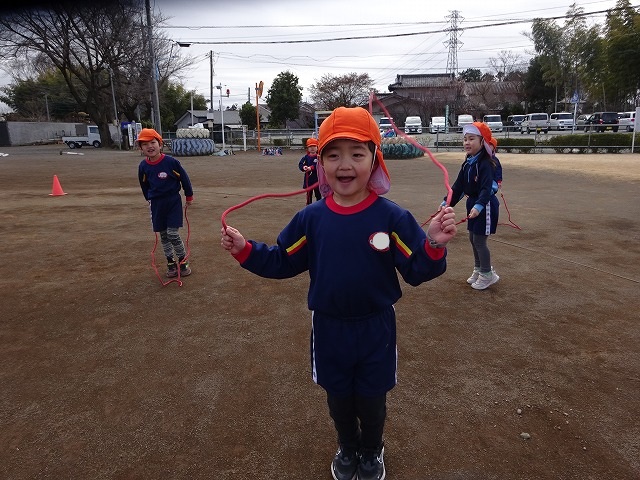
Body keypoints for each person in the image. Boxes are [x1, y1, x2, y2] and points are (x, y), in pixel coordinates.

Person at [221, 106, 457, 480]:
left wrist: (434, 245)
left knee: (372, 400)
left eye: (357, 154)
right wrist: (245, 250)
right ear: (320, 163)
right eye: (333, 155)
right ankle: (348, 446)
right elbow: (283, 260)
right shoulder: (311, 219)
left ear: (375, 160)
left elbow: (417, 270)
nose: (344, 164)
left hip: (376, 328)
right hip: (329, 327)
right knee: (339, 399)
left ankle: (372, 450)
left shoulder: (392, 217)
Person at [445, 122, 500, 290]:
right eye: (465, 139)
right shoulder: (468, 162)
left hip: (485, 205)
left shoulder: (486, 163)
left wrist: (479, 206)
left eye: (471, 139)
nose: (467, 142)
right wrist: (446, 202)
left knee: (479, 240)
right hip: (473, 204)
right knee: (472, 238)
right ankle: (479, 269)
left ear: (482, 141)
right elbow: (458, 186)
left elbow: (486, 188)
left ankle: (487, 274)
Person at [137, 128, 193, 278]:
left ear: (160, 144)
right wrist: (148, 199)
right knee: (163, 235)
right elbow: (144, 184)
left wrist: (189, 196)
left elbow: (184, 178)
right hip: (156, 204)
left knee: (172, 234)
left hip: (173, 202)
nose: (150, 146)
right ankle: (171, 263)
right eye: (145, 144)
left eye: (153, 142)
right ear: (141, 148)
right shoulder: (143, 166)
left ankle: (183, 261)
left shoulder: (171, 162)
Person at [299, 138, 321, 204]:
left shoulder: (319, 157)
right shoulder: (306, 157)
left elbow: (319, 165)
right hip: (308, 180)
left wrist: (311, 168)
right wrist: (304, 167)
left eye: (314, 146)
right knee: (309, 195)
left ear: (317, 147)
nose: (312, 148)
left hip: (317, 179)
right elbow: (300, 164)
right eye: (310, 146)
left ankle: (319, 206)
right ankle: (308, 206)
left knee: (318, 195)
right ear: (308, 148)